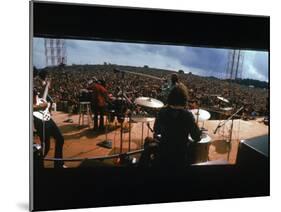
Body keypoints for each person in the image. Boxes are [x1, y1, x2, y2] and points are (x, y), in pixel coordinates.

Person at [153, 83, 202, 168]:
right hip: (180, 158)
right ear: (184, 99)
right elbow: (196, 137)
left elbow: (157, 130)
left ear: (170, 97)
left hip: (163, 155)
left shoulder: (162, 112)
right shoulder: (188, 115)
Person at [33, 68, 66, 168]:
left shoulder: (36, 85)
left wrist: (46, 86)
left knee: (60, 139)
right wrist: (41, 106)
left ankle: (58, 164)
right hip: (39, 119)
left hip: (46, 117)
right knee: (45, 147)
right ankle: (36, 165)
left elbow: (41, 98)